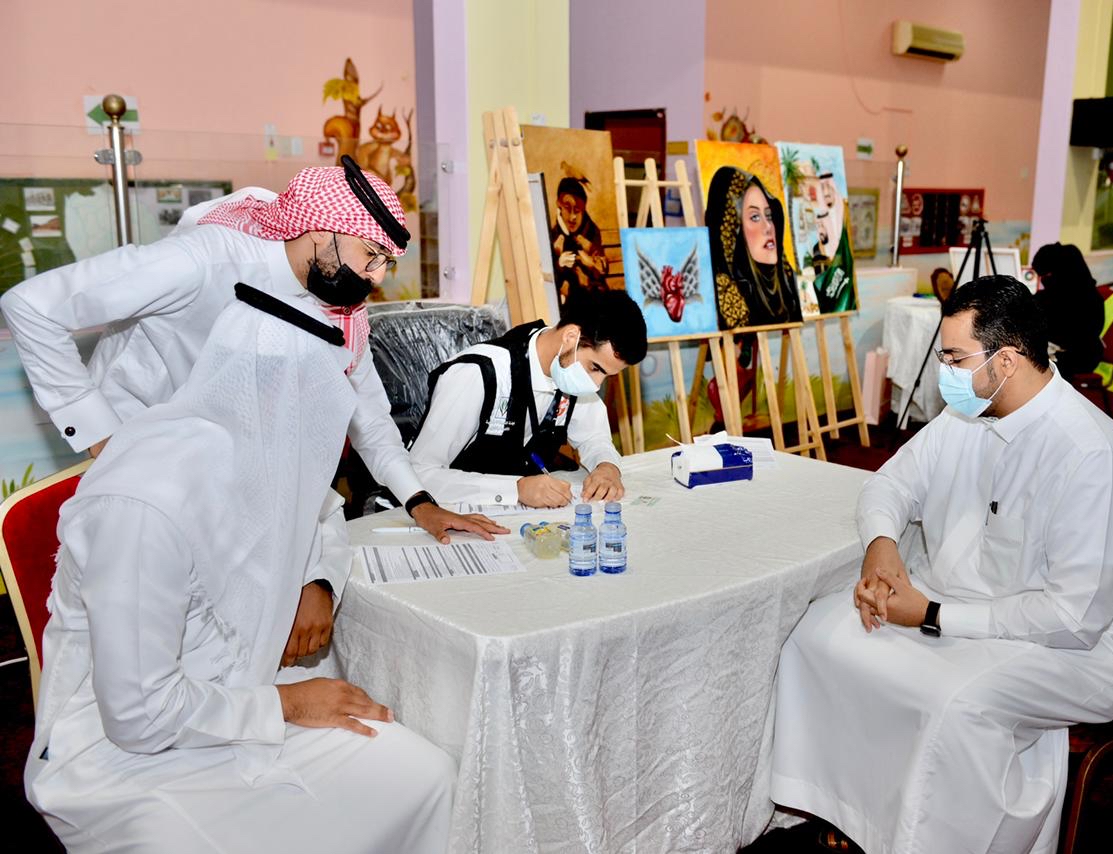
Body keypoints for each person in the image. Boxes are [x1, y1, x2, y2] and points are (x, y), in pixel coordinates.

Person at [1, 158, 506, 660]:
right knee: (155, 649)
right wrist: (105, 440)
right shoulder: (203, 261)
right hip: (148, 471)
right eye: (370, 255)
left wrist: (419, 501)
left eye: (385, 263)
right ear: (320, 229)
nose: (375, 278)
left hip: (233, 467)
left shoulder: (340, 307)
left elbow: (368, 416)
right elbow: (32, 305)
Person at [26, 294, 455, 852]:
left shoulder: (264, 451)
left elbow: (323, 513)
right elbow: (138, 716)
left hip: (242, 691)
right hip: (123, 753)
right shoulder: (141, 505)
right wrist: (289, 705)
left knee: (424, 776)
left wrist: (317, 582)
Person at [771, 275, 1113, 854]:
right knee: (817, 635)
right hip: (956, 601)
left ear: (1006, 360)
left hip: (1070, 645)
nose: (944, 371)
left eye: (955, 358)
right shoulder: (969, 415)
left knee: (953, 705)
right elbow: (889, 486)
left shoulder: (1089, 455)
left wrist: (931, 615)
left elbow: (1075, 618)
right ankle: (857, 815)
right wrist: (883, 545)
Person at [408, 289, 647, 508]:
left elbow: (594, 438)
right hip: (449, 512)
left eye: (606, 375)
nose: (596, 384)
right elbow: (419, 474)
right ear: (570, 336)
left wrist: (606, 467)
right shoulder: (479, 374)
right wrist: (515, 490)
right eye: (595, 368)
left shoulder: (570, 375)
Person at [705, 166, 803, 331]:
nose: (768, 227)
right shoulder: (728, 297)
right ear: (731, 232)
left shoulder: (789, 286)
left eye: (769, 215)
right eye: (755, 217)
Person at [1030, 242, 1105, 376]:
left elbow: (1068, 335)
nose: (1043, 281)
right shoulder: (1064, 294)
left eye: (1046, 276)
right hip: (1072, 353)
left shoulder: (1083, 302)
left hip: (1079, 357)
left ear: (1061, 272)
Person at [549, 176, 610, 301]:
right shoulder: (554, 236)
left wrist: (591, 263)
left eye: (577, 211)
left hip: (593, 298)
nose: (572, 217)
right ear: (559, 205)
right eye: (567, 208)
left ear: (583, 209)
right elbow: (549, 278)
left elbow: (601, 272)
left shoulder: (591, 231)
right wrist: (559, 264)